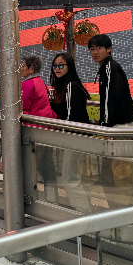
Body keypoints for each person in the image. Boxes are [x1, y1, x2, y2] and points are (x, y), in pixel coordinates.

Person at [50, 52, 91, 212]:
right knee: (73, 177)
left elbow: (71, 116)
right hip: (74, 137)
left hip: (74, 137)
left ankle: (84, 215)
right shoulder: (64, 87)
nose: (57, 69)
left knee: (69, 178)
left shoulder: (71, 87)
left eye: (61, 65)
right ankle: (84, 212)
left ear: (69, 67)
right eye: (55, 66)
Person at [21, 55, 57, 201]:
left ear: (31, 69)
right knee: (46, 164)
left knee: (36, 164)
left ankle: (32, 197)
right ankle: (52, 197)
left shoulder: (28, 84)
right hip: (46, 126)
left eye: (23, 66)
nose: (21, 69)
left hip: (34, 130)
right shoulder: (40, 82)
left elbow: (23, 109)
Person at [88, 34, 133, 128]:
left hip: (121, 125)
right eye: (92, 49)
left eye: (99, 48)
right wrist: (103, 120)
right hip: (121, 122)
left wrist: (105, 123)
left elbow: (109, 99)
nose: (95, 52)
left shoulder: (110, 68)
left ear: (108, 49)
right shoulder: (108, 67)